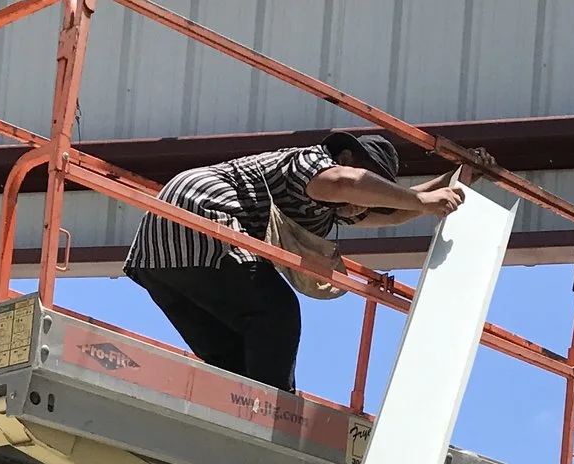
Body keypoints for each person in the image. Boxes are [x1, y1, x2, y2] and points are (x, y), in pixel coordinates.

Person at [123, 132, 466, 390]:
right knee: (276, 312)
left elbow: (393, 213)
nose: (363, 202)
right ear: (345, 156)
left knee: (234, 355)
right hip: (204, 209)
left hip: (159, 257)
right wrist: (419, 199)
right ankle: (272, 413)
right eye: (371, 178)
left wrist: (460, 180)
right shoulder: (311, 162)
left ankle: (240, 411)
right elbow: (346, 182)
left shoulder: (327, 211)